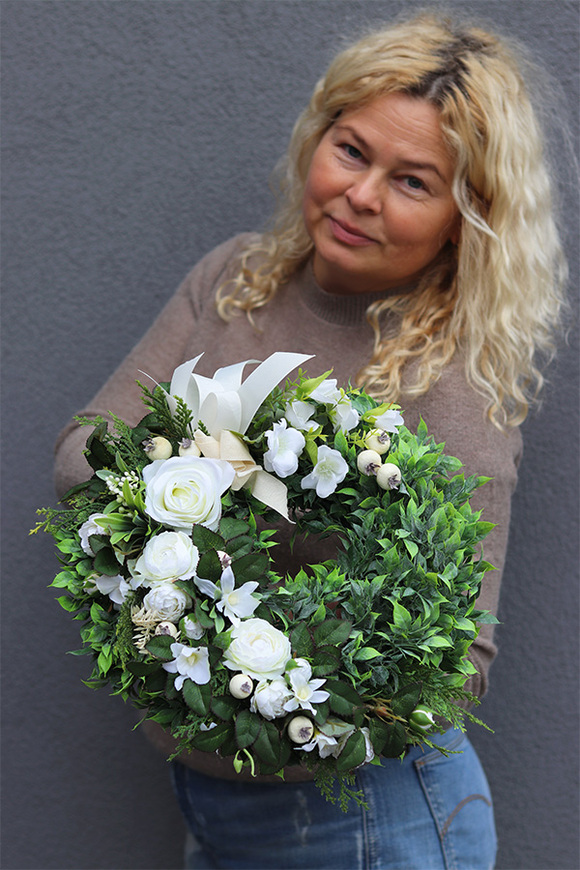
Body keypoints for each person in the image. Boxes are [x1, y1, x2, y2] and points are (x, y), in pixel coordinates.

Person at [54, 11, 566, 870]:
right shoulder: (237, 277)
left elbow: (454, 668)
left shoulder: (449, 378)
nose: (362, 195)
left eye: (413, 182)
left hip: (368, 822)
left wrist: (267, 681)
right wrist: (238, 457)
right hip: (213, 801)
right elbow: (81, 458)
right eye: (353, 151)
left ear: (463, 216)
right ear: (316, 136)